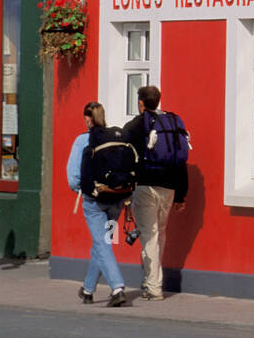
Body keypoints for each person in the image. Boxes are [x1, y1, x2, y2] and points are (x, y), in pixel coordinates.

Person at [122, 85, 188, 301]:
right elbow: (181, 161)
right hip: (169, 187)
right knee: (160, 233)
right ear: (158, 101)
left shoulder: (136, 125)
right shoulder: (171, 122)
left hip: (145, 187)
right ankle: (151, 279)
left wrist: (124, 187)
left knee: (149, 236)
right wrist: (181, 194)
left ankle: (153, 287)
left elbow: (124, 155)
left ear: (141, 102)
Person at [76, 102, 132, 307]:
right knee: (102, 244)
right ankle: (88, 289)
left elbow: (80, 177)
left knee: (102, 244)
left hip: (95, 204)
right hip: (117, 202)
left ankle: (117, 288)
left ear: (88, 119)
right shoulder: (115, 138)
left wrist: (88, 191)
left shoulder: (88, 141)